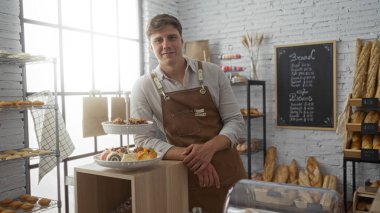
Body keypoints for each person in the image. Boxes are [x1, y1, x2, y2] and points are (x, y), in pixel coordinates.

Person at [130, 13, 247, 213]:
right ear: (151, 47)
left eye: (171, 37)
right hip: (184, 175)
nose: (166, 44)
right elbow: (143, 139)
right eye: (158, 40)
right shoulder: (143, 86)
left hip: (228, 171)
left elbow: (235, 121)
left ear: (182, 40)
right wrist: (195, 158)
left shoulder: (213, 72)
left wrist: (208, 149)